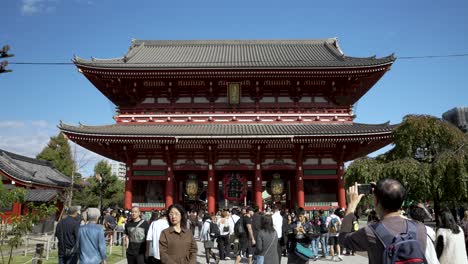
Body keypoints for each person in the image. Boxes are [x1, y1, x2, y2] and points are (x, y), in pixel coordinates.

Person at [338, 179, 432, 264]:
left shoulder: (370, 232)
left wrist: (351, 205)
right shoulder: (421, 228)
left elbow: (343, 239)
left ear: (376, 201)